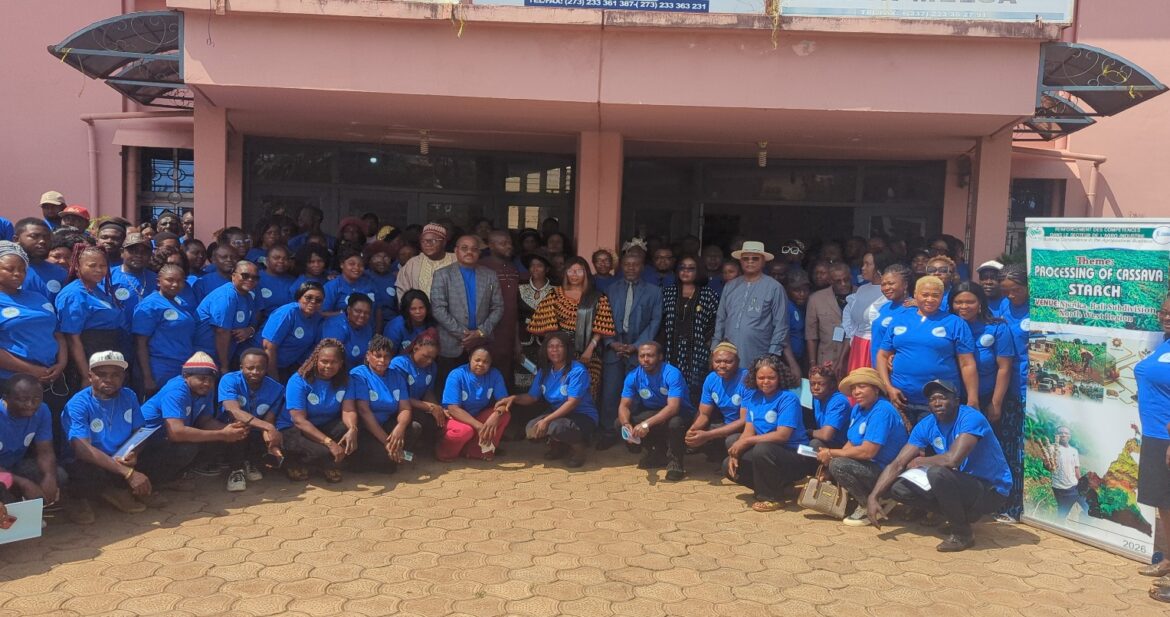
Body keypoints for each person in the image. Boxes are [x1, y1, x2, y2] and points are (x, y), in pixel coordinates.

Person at [866, 379, 1013, 552]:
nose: (937, 403)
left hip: (992, 490)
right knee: (899, 489)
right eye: (932, 399)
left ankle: (962, 534)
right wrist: (873, 497)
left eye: (942, 397)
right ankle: (957, 516)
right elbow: (898, 463)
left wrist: (920, 461)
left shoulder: (971, 418)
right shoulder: (927, 425)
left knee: (938, 473)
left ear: (956, 400)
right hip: (961, 483)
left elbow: (952, 460)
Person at [62, 351, 178, 517]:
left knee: (164, 447)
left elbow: (140, 431)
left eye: (115, 375)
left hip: (120, 456)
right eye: (102, 375)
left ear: (123, 376)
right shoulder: (78, 404)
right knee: (84, 470)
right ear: (90, 376)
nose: (109, 379)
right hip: (93, 461)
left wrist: (134, 452)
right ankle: (99, 494)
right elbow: (82, 450)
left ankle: (135, 488)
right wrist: (127, 473)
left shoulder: (128, 395)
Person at [876, 275, 978, 425]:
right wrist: (888, 387)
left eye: (935, 295)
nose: (930, 299)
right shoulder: (899, 319)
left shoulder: (955, 323)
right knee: (903, 445)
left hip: (939, 401)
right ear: (915, 295)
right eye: (925, 295)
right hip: (900, 398)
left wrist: (972, 398)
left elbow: (967, 363)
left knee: (934, 446)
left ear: (942, 297)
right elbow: (883, 355)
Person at [141, 353, 249, 489]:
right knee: (188, 448)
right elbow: (176, 433)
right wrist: (223, 434)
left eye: (211, 379)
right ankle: (157, 482)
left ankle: (172, 475)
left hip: (164, 440)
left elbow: (205, 421)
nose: (207, 383)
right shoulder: (177, 390)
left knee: (217, 437)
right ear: (186, 376)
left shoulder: (205, 389)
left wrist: (230, 429)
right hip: (144, 446)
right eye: (202, 378)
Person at [817, 367, 908, 526]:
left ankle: (870, 504)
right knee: (834, 462)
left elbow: (868, 451)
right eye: (853, 388)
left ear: (876, 389)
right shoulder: (858, 409)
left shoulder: (882, 411)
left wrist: (831, 453)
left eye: (862, 386)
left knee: (838, 464)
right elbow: (852, 442)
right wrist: (829, 460)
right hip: (870, 466)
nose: (856, 392)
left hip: (887, 470)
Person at [723, 354, 812, 512]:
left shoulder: (788, 398)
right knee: (728, 463)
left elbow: (782, 435)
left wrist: (746, 442)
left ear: (779, 377)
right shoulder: (755, 398)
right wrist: (735, 453)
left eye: (771, 377)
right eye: (761, 377)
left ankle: (773, 497)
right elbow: (748, 431)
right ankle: (781, 489)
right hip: (768, 453)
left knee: (762, 449)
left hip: (795, 455)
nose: (765, 382)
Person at [496, 332, 599, 468]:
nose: (554, 350)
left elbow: (572, 403)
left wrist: (546, 420)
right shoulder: (544, 371)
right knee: (531, 429)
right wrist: (513, 398)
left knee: (556, 427)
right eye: (550, 346)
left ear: (567, 349)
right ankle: (559, 446)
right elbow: (532, 397)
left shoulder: (577, 370)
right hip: (558, 416)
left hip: (582, 416)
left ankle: (579, 449)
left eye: (559, 346)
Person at [530, 256, 615, 406]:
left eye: (579, 271)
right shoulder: (555, 294)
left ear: (586, 274)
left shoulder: (597, 297)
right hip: (560, 353)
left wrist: (589, 349)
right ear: (565, 273)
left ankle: (584, 421)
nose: (574, 275)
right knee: (560, 389)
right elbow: (542, 324)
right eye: (571, 271)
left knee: (588, 388)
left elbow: (602, 326)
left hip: (588, 353)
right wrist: (557, 348)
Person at [276, 338, 359, 483]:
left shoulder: (346, 380)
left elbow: (349, 409)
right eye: (324, 361)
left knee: (348, 429)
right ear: (316, 360)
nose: (328, 366)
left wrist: (353, 429)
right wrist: (329, 443)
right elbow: (299, 420)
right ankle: (294, 462)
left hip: (322, 426)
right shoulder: (299, 380)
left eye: (333, 362)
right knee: (321, 452)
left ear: (341, 364)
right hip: (294, 429)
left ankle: (325, 462)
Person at [598, 252, 657, 449]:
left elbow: (654, 322)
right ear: (621, 266)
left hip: (639, 351)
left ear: (642, 267)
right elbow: (602, 318)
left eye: (636, 264)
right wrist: (611, 342)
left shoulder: (654, 291)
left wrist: (637, 346)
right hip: (613, 348)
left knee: (637, 395)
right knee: (610, 393)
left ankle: (634, 435)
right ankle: (609, 431)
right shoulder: (610, 289)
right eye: (627, 264)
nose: (631, 268)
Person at [711, 241, 796, 376]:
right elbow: (721, 319)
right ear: (740, 261)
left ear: (763, 262)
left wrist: (771, 356)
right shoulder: (730, 286)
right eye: (746, 258)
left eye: (755, 258)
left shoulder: (774, 287)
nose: (750, 262)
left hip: (760, 354)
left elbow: (781, 325)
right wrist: (715, 348)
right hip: (728, 354)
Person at [430, 235, 505, 384]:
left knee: (479, 389)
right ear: (456, 251)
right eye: (464, 248)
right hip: (451, 345)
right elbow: (438, 309)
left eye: (474, 249)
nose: (469, 252)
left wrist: (480, 333)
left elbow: (498, 307)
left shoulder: (490, 275)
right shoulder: (442, 275)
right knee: (449, 389)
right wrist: (464, 335)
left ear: (479, 253)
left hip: (481, 343)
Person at [0, 242, 68, 400]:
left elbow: (57, 334)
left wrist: (61, 364)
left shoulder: (38, 297)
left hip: (50, 377)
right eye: (10, 269)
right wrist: (32, 370)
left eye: (22, 270)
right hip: (10, 382)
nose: (17, 274)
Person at [617, 342, 693, 481]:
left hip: (681, 413)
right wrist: (626, 424)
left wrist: (646, 424)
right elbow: (624, 406)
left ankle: (675, 463)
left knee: (675, 423)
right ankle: (658, 454)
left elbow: (673, 408)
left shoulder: (672, 373)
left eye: (650, 355)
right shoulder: (633, 376)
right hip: (654, 413)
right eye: (642, 356)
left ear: (660, 357)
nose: (645, 359)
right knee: (619, 423)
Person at [57, 245, 127, 388]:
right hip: (87, 355)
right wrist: (85, 375)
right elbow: (72, 339)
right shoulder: (74, 294)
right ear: (77, 266)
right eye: (92, 265)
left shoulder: (99, 289)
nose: (99, 270)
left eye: (103, 265)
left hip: (107, 351)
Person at [218, 348, 285, 492]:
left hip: (256, 430)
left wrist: (270, 434)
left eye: (260, 368)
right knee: (239, 426)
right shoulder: (229, 380)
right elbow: (234, 410)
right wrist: (268, 426)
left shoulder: (277, 389)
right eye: (250, 368)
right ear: (241, 367)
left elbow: (270, 419)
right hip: (228, 427)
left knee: (267, 434)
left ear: (266, 368)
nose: (255, 372)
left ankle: (250, 462)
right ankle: (236, 470)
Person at [350, 335, 417, 472]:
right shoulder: (359, 375)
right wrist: (387, 443)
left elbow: (405, 408)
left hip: (386, 424)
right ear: (368, 356)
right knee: (388, 465)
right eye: (378, 356)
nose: (382, 360)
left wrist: (400, 427)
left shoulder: (396, 376)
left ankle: (399, 453)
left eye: (387, 356)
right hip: (366, 428)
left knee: (414, 427)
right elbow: (364, 411)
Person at [950, 282, 1014, 423]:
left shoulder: (997, 328)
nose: (964, 306)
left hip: (986, 397)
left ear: (980, 304)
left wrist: (996, 403)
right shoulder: (946, 326)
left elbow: (1005, 368)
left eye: (970, 302)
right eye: (958, 302)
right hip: (951, 398)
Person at [132, 264, 198, 396]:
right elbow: (140, 343)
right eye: (170, 280)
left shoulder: (180, 303)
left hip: (181, 367)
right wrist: (147, 377)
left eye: (180, 281)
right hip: (159, 369)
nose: (175, 284)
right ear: (158, 281)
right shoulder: (150, 305)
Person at [660, 256, 720, 400]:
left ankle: (691, 417)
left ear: (698, 271)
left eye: (691, 268)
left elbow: (716, 321)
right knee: (670, 384)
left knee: (695, 387)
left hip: (697, 351)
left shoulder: (709, 295)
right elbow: (660, 321)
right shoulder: (667, 293)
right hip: (670, 349)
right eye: (682, 267)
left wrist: (708, 343)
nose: (686, 271)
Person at [0, 374, 60, 516]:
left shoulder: (42, 411)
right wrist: (24, 483)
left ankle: (30, 512)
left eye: (36, 399)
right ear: (6, 397)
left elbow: (45, 450)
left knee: (58, 475)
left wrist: (49, 476)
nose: (30, 404)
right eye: (23, 399)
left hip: (14, 465)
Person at [438, 348, 510, 461]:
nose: (481, 364)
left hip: (476, 416)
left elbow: (505, 402)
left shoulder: (495, 374)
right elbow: (453, 409)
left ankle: (475, 451)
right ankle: (445, 453)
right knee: (465, 431)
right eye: (477, 360)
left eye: (486, 362)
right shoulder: (456, 375)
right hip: (455, 418)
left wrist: (497, 414)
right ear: (470, 359)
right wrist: (478, 426)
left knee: (504, 416)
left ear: (490, 364)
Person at [685, 342, 748, 463]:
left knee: (730, 440)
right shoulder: (711, 379)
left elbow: (744, 421)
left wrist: (708, 435)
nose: (722, 365)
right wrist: (692, 431)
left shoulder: (746, 379)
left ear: (738, 362)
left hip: (748, 428)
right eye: (717, 362)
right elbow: (704, 414)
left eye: (728, 362)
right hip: (726, 423)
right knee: (699, 431)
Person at [194, 260, 259, 373]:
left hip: (224, 355)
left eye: (255, 277)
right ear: (233, 276)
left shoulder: (248, 296)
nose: (250, 280)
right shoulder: (226, 296)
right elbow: (221, 332)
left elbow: (252, 323)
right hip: (205, 356)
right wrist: (224, 366)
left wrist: (250, 330)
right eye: (245, 276)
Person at [838, 251, 892, 372]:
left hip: (875, 347)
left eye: (868, 264)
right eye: (863, 264)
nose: (863, 268)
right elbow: (852, 322)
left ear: (878, 268)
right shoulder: (862, 289)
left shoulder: (889, 292)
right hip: (858, 345)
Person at [479, 230, 520, 389]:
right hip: (488, 333)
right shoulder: (482, 267)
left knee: (504, 378)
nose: (509, 246)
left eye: (509, 242)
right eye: (503, 243)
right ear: (491, 245)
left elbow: (514, 307)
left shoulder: (512, 268)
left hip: (508, 334)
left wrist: (516, 340)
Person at [391, 330, 444, 451]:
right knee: (419, 424)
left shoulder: (432, 367)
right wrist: (429, 407)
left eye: (432, 358)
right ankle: (405, 452)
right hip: (399, 408)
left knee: (438, 421)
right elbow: (399, 397)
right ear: (415, 348)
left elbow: (428, 392)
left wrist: (437, 408)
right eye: (426, 356)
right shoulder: (399, 364)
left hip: (418, 406)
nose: (429, 361)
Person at [261, 282, 326, 380]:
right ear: (299, 297)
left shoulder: (315, 316)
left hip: (285, 367)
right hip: (262, 365)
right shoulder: (288, 313)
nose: (313, 302)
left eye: (318, 300)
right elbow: (268, 347)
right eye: (308, 297)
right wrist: (274, 380)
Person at [805, 262, 853, 375]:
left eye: (846, 279)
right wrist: (813, 364)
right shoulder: (816, 299)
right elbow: (811, 335)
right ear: (830, 281)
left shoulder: (860, 294)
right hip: (827, 357)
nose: (843, 284)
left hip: (853, 356)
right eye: (838, 281)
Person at [517, 255, 556, 388]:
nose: (535, 269)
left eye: (539, 265)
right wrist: (516, 342)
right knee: (523, 380)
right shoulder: (520, 288)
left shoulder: (556, 290)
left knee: (544, 380)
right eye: (532, 265)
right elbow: (516, 317)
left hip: (546, 342)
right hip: (523, 341)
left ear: (547, 269)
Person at [1040, 426, 1088, 522]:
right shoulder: (1052, 448)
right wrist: (1048, 465)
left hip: (1076, 486)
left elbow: (1076, 469)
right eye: (1060, 433)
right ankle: (1056, 531)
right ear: (1056, 435)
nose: (1063, 435)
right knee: (1062, 515)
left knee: (1088, 508)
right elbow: (1047, 465)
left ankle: (1083, 527)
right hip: (1062, 489)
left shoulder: (1074, 451)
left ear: (1070, 436)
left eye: (1066, 433)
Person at [396, 223, 456, 299]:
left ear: (444, 242)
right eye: (423, 241)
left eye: (433, 240)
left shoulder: (456, 261)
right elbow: (403, 292)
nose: (427, 244)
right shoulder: (413, 264)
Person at [14, 218, 67, 302]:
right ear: (16, 240)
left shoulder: (60, 273)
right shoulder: (4, 271)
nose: (42, 241)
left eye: (47, 237)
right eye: (34, 236)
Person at [870, 264, 913, 367]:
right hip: (877, 366)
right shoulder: (884, 307)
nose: (886, 288)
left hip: (894, 367)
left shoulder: (912, 309)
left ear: (905, 284)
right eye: (883, 284)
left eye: (891, 283)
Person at [107, 232, 157, 317]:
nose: (138, 255)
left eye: (144, 252)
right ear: (122, 252)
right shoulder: (108, 276)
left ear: (150, 255)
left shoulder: (157, 280)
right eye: (133, 251)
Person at [322, 293, 376, 368]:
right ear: (349, 310)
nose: (362, 315)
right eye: (358, 311)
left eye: (366, 313)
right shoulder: (336, 326)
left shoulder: (367, 328)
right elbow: (331, 360)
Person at [323, 246, 377, 315]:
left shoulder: (369, 284)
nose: (357, 268)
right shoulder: (331, 286)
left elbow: (377, 310)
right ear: (342, 265)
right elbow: (322, 313)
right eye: (352, 264)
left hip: (368, 325)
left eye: (361, 265)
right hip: (339, 325)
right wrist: (345, 313)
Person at [807, 364, 850, 449]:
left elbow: (826, 435)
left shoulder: (839, 401)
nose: (816, 387)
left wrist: (808, 432)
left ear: (832, 385)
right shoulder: (817, 398)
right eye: (812, 384)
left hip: (842, 446)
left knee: (815, 444)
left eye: (821, 384)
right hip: (827, 442)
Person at [384, 289, 436, 355]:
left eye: (421, 308)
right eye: (413, 309)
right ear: (406, 310)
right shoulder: (395, 327)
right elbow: (388, 354)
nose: (418, 312)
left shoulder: (430, 324)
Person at [364, 241, 399, 330]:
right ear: (370, 259)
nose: (382, 261)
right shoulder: (362, 276)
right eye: (377, 257)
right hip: (367, 324)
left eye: (386, 257)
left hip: (391, 324)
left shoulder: (396, 278)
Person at [255, 245, 296, 318]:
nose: (281, 261)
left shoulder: (294, 282)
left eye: (285, 259)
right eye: (276, 258)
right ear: (267, 261)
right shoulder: (255, 278)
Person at [785, 271, 811, 368]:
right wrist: (792, 364)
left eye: (805, 290)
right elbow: (783, 339)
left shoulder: (806, 306)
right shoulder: (786, 307)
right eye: (797, 290)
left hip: (801, 357)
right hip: (788, 360)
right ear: (788, 290)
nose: (802, 294)